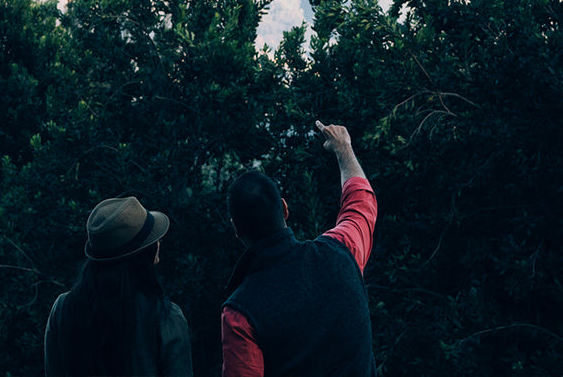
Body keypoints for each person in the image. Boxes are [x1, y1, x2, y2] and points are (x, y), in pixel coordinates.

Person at [222, 120, 377, 377]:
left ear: (236, 229)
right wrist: (344, 149)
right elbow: (360, 202)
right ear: (284, 208)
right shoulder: (341, 251)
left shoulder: (240, 313)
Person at [45, 195, 193, 376]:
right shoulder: (165, 317)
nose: (159, 241)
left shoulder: (63, 309)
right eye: (152, 238)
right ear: (140, 254)